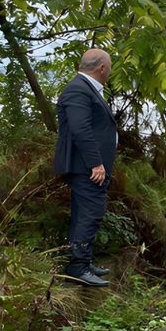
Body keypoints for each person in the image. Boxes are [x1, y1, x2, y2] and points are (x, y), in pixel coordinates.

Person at [53, 49, 118, 287]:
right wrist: (96, 163)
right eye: (109, 67)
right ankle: (78, 267)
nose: (110, 71)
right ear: (102, 68)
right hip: (86, 168)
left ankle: (82, 262)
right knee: (90, 213)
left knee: (84, 213)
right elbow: (81, 129)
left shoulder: (85, 88)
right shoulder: (78, 89)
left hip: (87, 167)